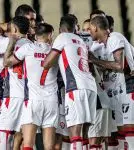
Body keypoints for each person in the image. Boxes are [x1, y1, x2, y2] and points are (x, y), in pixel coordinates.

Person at [43, 15, 97, 150]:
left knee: (74, 131)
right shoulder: (81, 40)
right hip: (91, 86)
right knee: (85, 130)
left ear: (61, 28)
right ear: (75, 27)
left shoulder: (62, 37)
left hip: (75, 87)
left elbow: (47, 63)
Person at [3, 23, 58, 150]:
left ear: (35, 34)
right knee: (49, 147)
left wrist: (11, 42)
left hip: (33, 100)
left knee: (28, 143)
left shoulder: (28, 48)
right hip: (52, 101)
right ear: (50, 35)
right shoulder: (55, 51)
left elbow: (6, 62)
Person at [89, 16, 129, 150]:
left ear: (95, 28)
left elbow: (119, 65)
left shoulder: (115, 38)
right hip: (108, 92)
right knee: (110, 133)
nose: (89, 32)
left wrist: (94, 60)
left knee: (120, 129)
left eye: (90, 29)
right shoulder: (97, 46)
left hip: (123, 89)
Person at [0, 16, 31, 150]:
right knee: (22, 138)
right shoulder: (32, 46)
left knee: (4, 135)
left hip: (13, 95)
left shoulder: (8, 42)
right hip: (28, 97)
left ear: (15, 29)